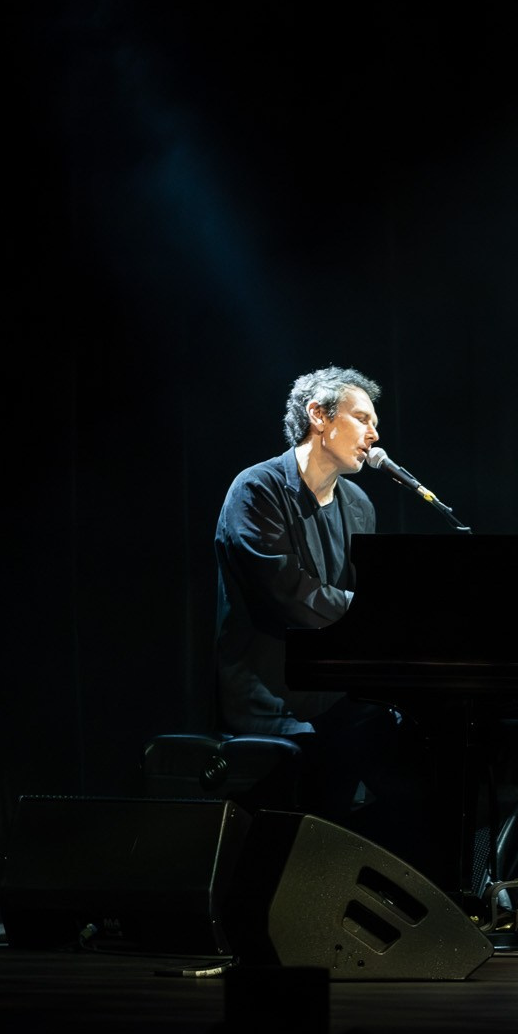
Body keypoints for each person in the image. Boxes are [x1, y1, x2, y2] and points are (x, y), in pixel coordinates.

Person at [213, 366, 416, 855]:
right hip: (271, 699)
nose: (374, 434)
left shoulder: (360, 504)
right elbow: (290, 595)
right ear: (319, 417)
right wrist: (378, 613)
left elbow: (354, 602)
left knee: (418, 758)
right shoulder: (256, 490)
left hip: (332, 698)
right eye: (361, 418)